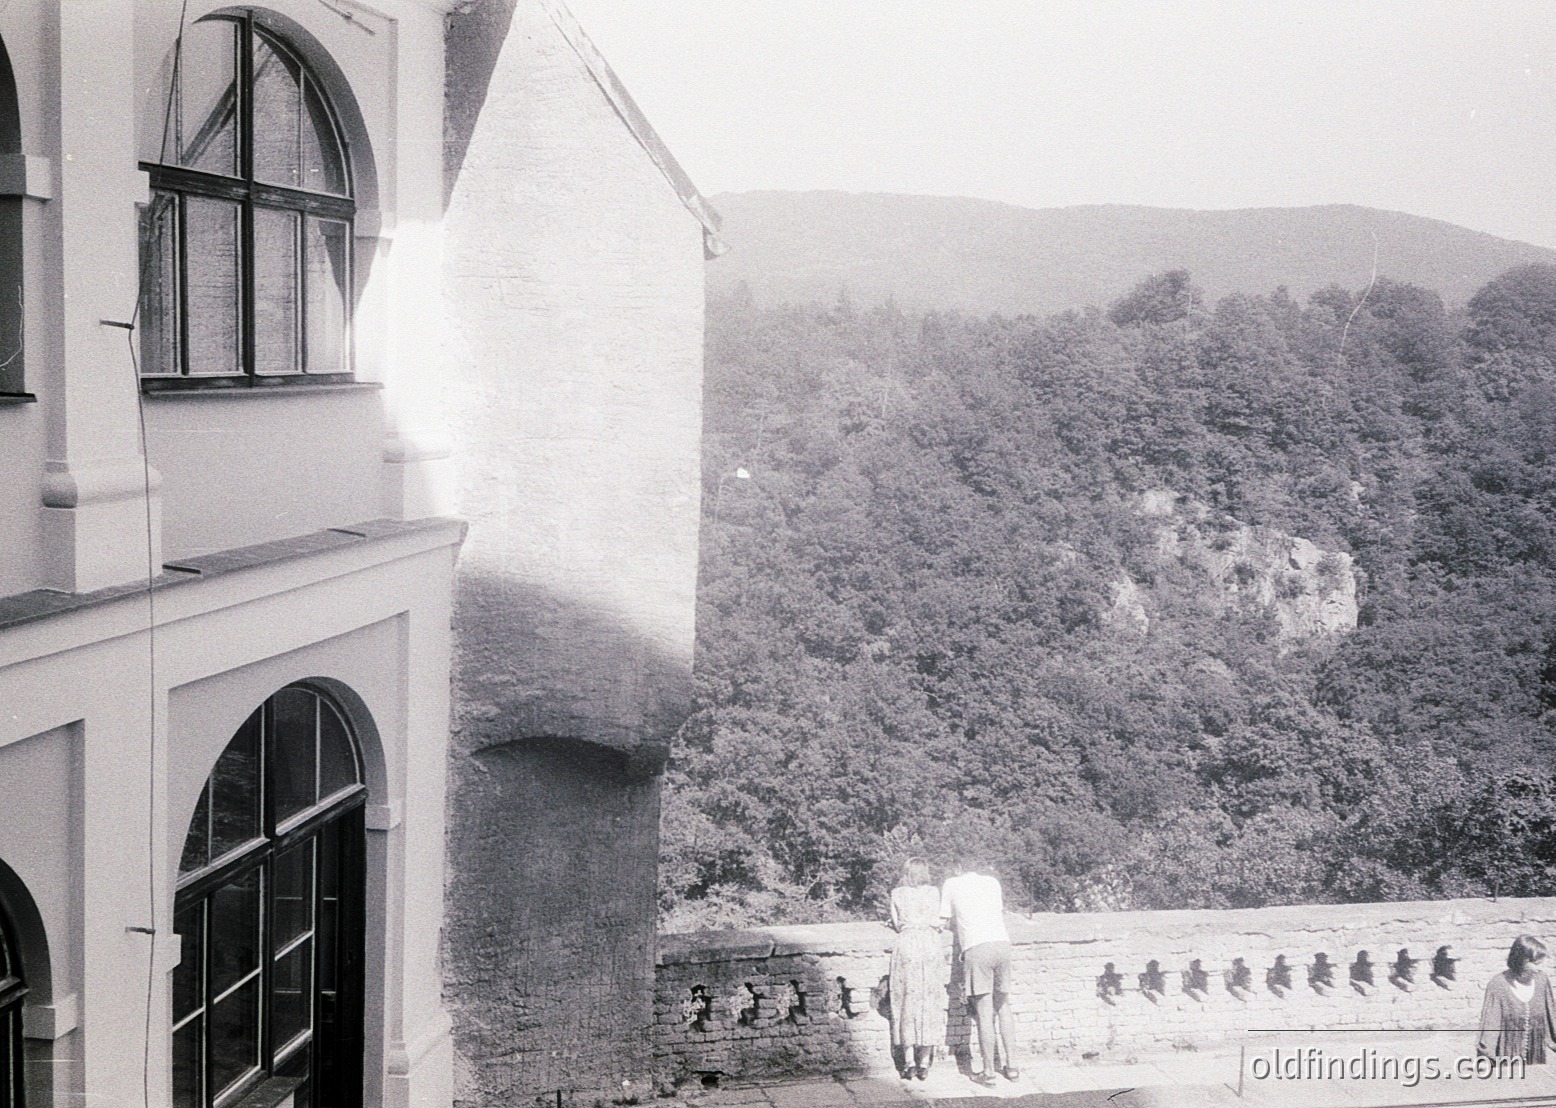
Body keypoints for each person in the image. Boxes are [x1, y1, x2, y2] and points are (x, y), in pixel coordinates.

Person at [940, 856, 1016, 1086]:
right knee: (1003, 1006)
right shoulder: (992, 882)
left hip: (977, 947)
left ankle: (989, 1072)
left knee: (984, 1012)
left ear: (958, 867)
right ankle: (1012, 1067)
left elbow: (943, 921)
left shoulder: (951, 884)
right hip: (1002, 944)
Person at [888, 858, 948, 1081]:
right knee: (930, 1001)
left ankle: (909, 1061)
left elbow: (896, 923)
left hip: (907, 945)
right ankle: (925, 1062)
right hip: (930, 945)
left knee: (905, 1001)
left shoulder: (897, 893)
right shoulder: (934, 892)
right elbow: (939, 921)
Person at [1478, 935, 1556, 1064]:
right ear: (1521, 960)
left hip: (1536, 1055)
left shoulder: (1542, 980)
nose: (1538, 969)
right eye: (1535, 964)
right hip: (1507, 1055)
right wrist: (1485, 1058)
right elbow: (1490, 1024)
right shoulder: (1498, 985)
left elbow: (1551, 1017)